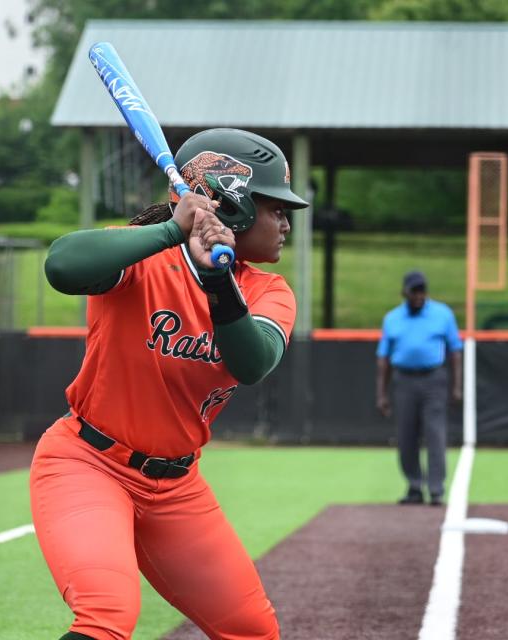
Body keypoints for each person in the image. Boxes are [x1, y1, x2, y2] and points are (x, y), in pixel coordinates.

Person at [30, 128, 309, 640]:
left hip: (176, 487)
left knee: (252, 629)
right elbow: (63, 264)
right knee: (106, 616)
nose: (285, 223)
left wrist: (219, 281)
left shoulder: (268, 290)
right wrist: (171, 232)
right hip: (89, 463)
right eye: (274, 207)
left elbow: (252, 362)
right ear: (234, 205)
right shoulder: (143, 259)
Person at [376, 270, 462, 507]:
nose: (419, 295)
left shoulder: (442, 314)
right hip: (404, 380)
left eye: (422, 290)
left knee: (435, 434)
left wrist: (456, 387)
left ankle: (435, 489)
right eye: (414, 291)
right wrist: (382, 394)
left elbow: (455, 351)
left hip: (433, 379)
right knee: (406, 436)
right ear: (405, 292)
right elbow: (383, 358)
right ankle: (414, 486)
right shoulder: (392, 318)